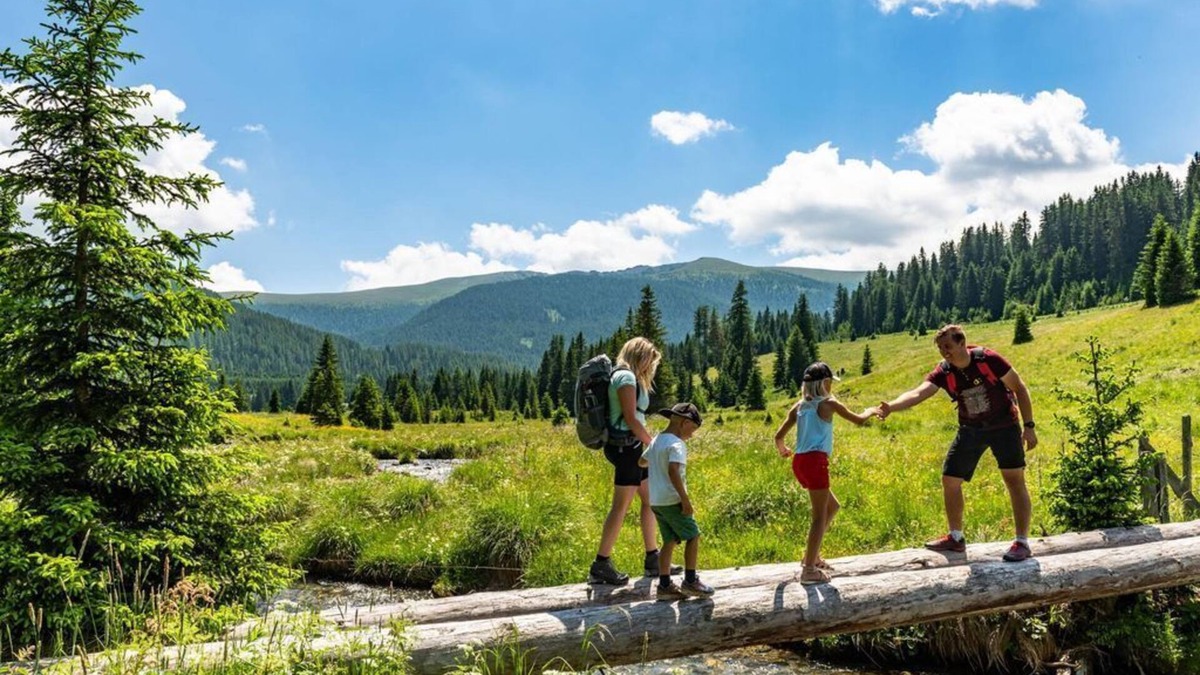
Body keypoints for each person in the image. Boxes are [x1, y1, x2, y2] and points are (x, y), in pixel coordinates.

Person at [877, 324, 1038, 562]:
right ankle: (956, 538)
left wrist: (1029, 427)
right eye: (941, 348)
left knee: (1014, 479)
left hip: (1004, 426)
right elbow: (919, 393)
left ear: (962, 343)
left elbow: (1020, 388)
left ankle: (1022, 542)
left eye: (948, 347)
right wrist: (891, 406)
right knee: (950, 479)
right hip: (971, 429)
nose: (944, 352)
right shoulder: (944, 371)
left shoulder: (989, 360)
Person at [774, 362, 878, 584]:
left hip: (800, 461)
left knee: (833, 506)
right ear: (826, 383)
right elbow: (859, 420)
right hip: (815, 461)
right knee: (819, 516)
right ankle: (809, 570)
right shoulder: (829, 403)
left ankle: (811, 556)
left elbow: (778, 435)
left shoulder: (799, 406)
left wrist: (783, 449)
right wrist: (870, 410)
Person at [587, 336, 677, 585]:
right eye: (648, 359)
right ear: (639, 355)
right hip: (628, 450)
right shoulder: (625, 377)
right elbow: (630, 418)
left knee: (649, 500)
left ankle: (652, 559)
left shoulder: (627, 376)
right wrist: (654, 444)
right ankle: (600, 565)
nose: (650, 366)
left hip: (634, 449)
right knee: (620, 506)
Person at [639, 402, 714, 600]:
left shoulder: (656, 441)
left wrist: (656, 459)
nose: (692, 434)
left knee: (670, 540)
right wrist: (685, 501)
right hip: (672, 499)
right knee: (693, 536)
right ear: (684, 422)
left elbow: (641, 461)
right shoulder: (677, 444)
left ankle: (664, 586)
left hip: (656, 501)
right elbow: (673, 471)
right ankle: (690, 581)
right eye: (693, 428)